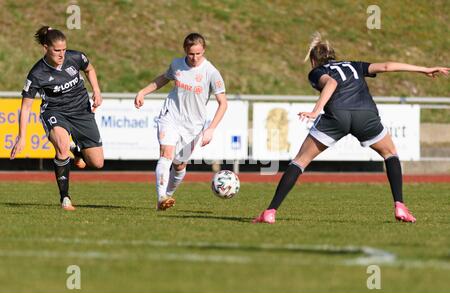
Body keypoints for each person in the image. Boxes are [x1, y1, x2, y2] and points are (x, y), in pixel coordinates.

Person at [254, 32, 449, 224]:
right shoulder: (354, 65)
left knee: (300, 161)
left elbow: (331, 82)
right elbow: (387, 66)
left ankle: (270, 212)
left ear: (314, 60)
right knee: (390, 153)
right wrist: (424, 69)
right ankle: (400, 205)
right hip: (365, 114)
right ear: (333, 55)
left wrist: (316, 111)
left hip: (336, 116)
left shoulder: (317, 72)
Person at [10, 26, 104, 211]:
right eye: (57, 50)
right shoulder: (37, 73)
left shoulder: (76, 57)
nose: (62, 54)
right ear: (46, 48)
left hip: (81, 111)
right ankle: (65, 198)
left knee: (97, 163)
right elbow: (26, 106)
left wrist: (97, 91)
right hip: (55, 112)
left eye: (64, 49)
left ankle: (76, 150)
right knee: (61, 145)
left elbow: (90, 69)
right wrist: (22, 136)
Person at [134, 33, 228, 210]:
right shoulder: (177, 64)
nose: (194, 58)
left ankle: (168, 195)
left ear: (204, 51)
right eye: (191, 54)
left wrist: (211, 129)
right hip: (171, 116)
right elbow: (163, 78)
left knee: (179, 165)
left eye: (198, 54)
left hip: (194, 126)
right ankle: (161, 196)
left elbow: (223, 103)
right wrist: (143, 92)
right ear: (185, 50)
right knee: (166, 154)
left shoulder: (211, 72)